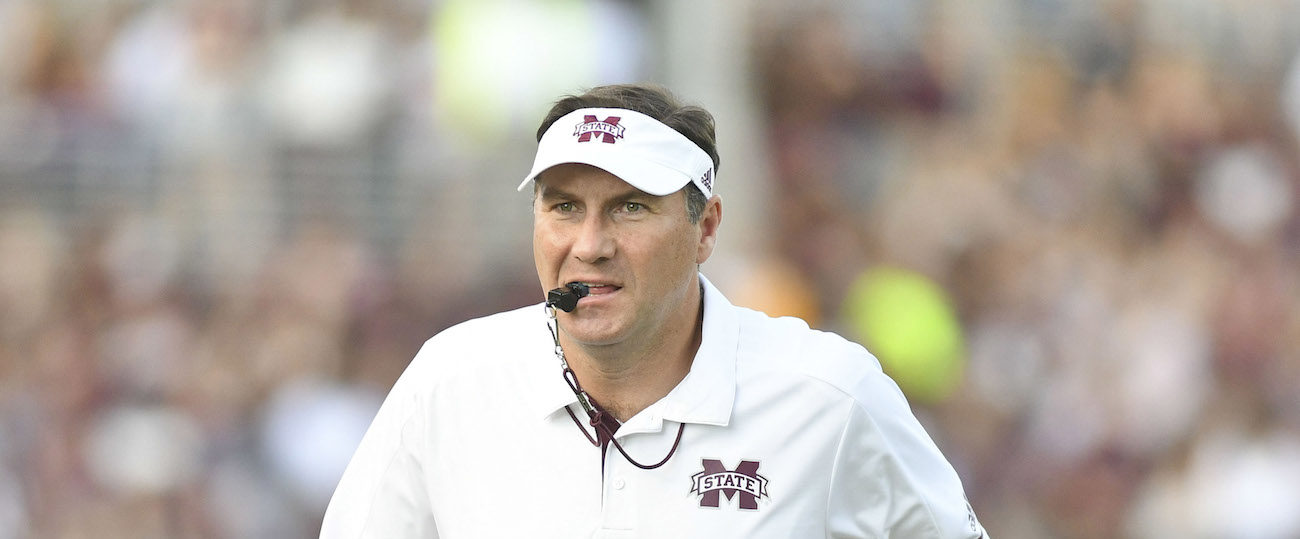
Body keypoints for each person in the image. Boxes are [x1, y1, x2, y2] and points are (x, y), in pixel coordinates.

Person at [320, 83, 988, 538]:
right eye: (564, 207)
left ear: (706, 228)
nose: (590, 245)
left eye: (630, 207)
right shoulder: (450, 381)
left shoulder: (830, 396)